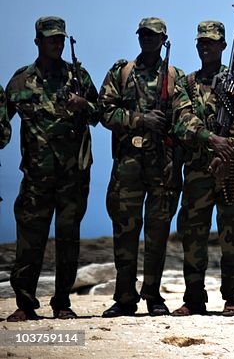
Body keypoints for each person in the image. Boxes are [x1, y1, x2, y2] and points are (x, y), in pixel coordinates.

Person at [99, 17, 199, 317]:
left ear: (163, 38)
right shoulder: (122, 72)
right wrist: (141, 120)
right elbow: (105, 111)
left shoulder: (174, 76)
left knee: (158, 232)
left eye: (153, 35)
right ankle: (125, 296)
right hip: (128, 164)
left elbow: (185, 114)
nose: (147, 39)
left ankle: (153, 295)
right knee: (125, 230)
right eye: (143, 34)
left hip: (163, 165)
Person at [4, 17, 99, 321]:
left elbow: (101, 114)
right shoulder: (20, 82)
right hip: (35, 176)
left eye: (60, 39)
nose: (56, 44)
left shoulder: (78, 77)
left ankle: (62, 303)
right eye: (50, 39)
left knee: (68, 240)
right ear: (37, 42)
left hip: (72, 177)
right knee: (29, 242)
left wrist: (83, 104)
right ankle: (25, 303)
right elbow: (2, 129)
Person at [172, 21, 234, 317]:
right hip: (198, 168)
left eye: (211, 42)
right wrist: (211, 139)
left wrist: (227, 149)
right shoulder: (187, 83)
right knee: (193, 234)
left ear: (222, 45)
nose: (205, 46)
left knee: (232, 234)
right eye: (201, 42)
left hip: (231, 168)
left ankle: (232, 297)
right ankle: (194, 297)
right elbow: (182, 120)